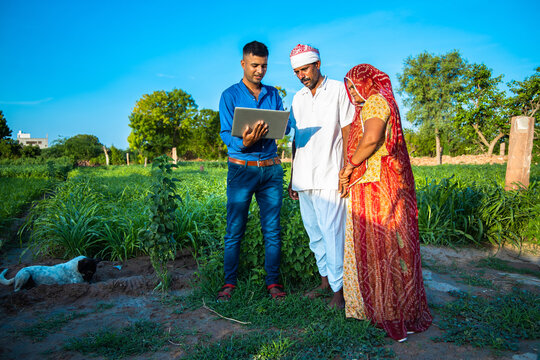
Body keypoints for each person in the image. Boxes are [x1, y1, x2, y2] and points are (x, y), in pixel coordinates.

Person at [338, 64, 432, 341]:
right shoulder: (380, 102)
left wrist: (350, 166)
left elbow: (372, 138)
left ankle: (387, 310)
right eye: (350, 88)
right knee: (389, 246)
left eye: (355, 87)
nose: (352, 94)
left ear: (367, 84)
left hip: (376, 186)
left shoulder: (375, 103)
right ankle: (396, 307)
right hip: (383, 182)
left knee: (380, 248)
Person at [217, 41, 288, 301]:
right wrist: (244, 143)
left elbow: (285, 127)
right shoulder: (229, 95)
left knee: (272, 229)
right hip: (241, 170)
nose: (260, 70)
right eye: (255, 65)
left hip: (270, 171)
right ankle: (229, 283)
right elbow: (227, 133)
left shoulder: (273, 95)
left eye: (264, 66)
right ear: (243, 64)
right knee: (235, 229)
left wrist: (281, 124)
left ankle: (273, 283)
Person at [287, 44, 354, 309]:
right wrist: (293, 176)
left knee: (332, 233)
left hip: (330, 175)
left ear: (317, 64)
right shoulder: (297, 98)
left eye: (304, 69)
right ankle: (325, 282)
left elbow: (348, 131)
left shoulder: (339, 90)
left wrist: (347, 168)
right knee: (314, 233)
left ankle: (340, 292)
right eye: (296, 71)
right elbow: (295, 139)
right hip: (304, 177)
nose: (301, 75)